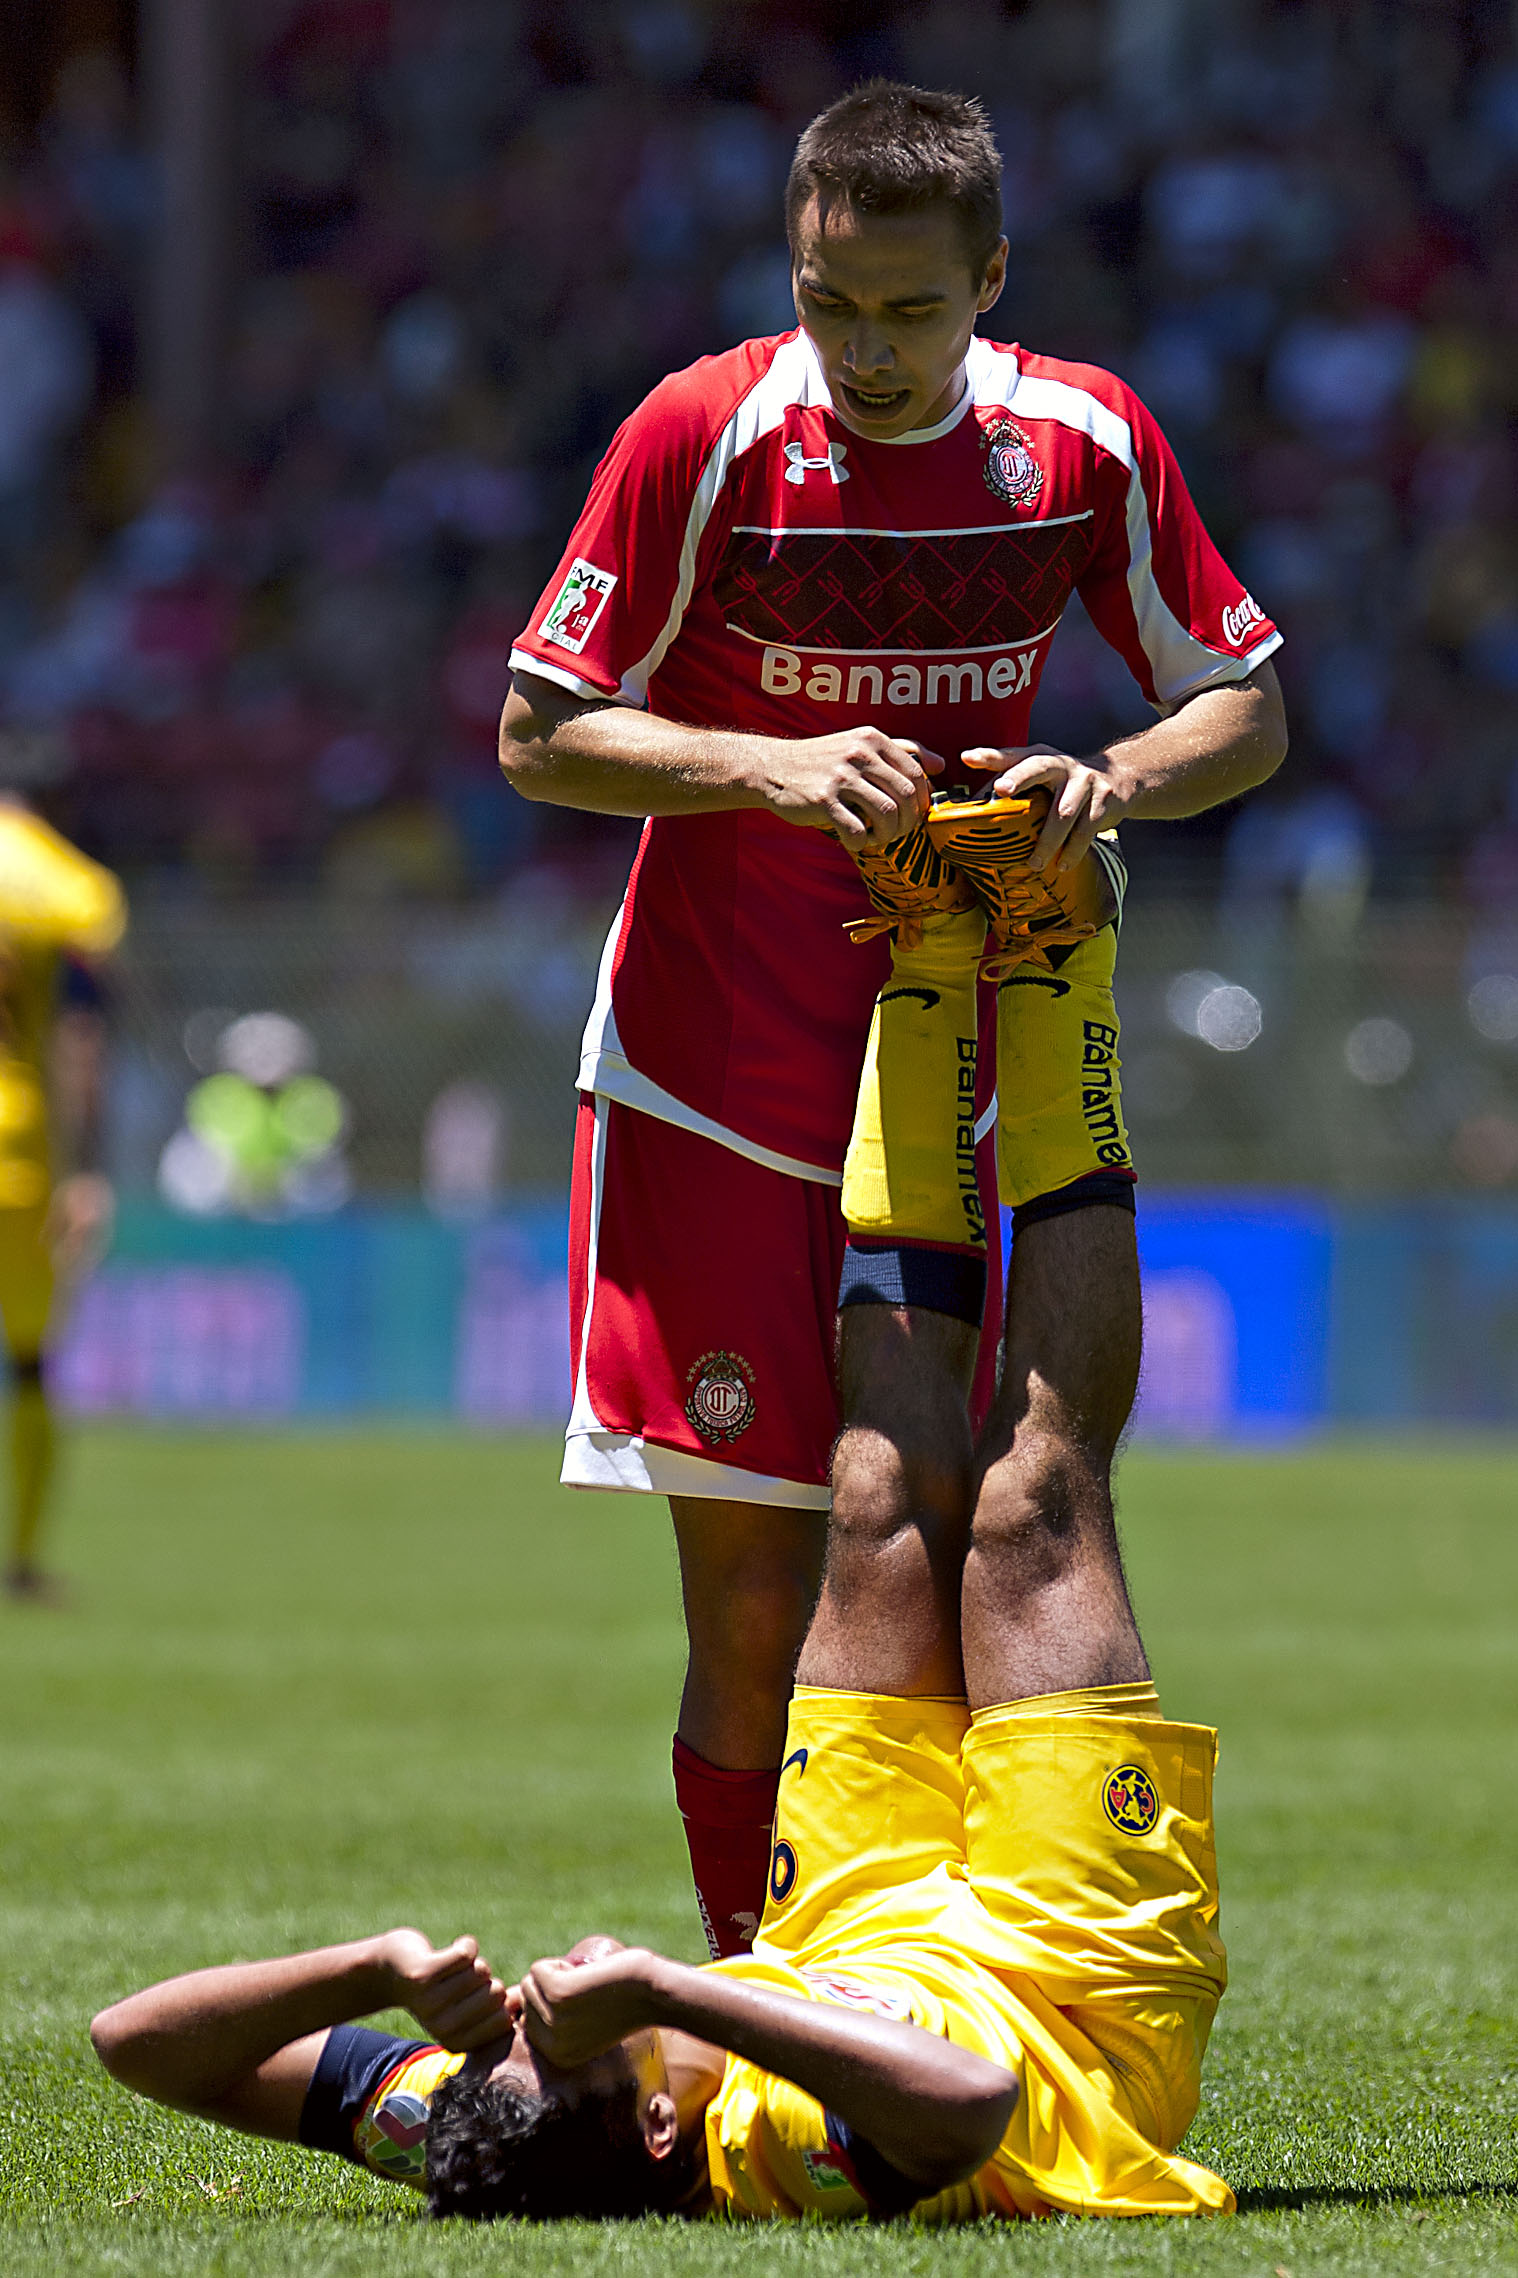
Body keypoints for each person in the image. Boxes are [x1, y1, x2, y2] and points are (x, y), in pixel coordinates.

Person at [499, 81, 1286, 1958]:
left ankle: (953, 1984)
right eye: (826, 303)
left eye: (909, 312)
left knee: (977, 1528)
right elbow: (540, 727)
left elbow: (1239, 702)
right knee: (760, 1591)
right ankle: (756, 2008)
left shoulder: (1083, 443)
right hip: (713, 1079)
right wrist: (764, 769)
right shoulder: (701, 431)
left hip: (960, 1079)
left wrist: (1113, 779)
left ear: (988, 280)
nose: (861, 350)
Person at [89, 1289, 1231, 2225]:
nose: (540, 2003)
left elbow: (133, 2042)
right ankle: (1066, 1035)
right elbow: (974, 2099)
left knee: (876, 1495)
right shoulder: (779, 2145)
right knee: (1028, 1506)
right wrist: (667, 1986)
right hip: (1069, 2003)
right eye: (571, 2036)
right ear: (657, 2127)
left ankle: (919, 1045)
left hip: (852, 1929)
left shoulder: (493, 2119)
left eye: (509, 2034)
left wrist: (376, 1970)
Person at [0, 775, 124, 1598]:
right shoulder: (63, 886)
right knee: (33, 1364)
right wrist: (87, 1170)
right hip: (21, 1151)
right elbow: (81, 1039)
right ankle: (23, 1561)